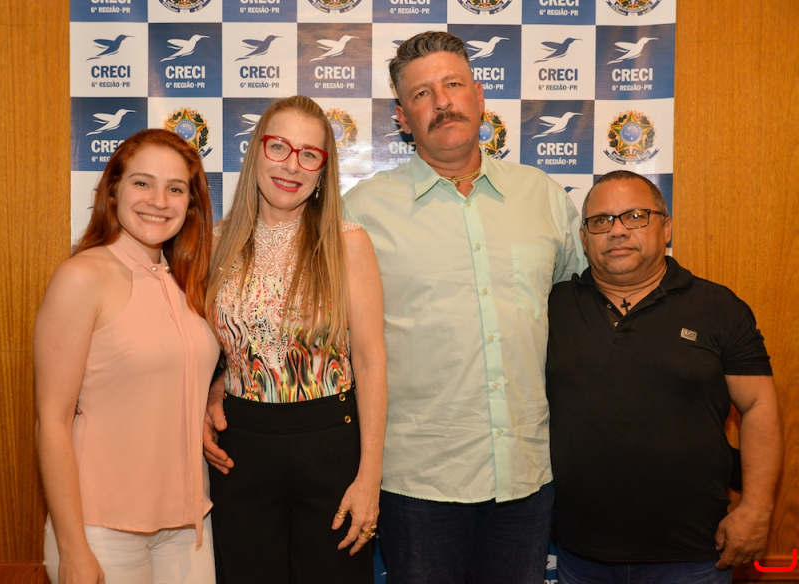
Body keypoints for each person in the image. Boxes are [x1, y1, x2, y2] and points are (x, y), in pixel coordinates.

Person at [348, 31, 585, 583]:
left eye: (453, 85)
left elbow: (588, 312)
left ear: (479, 97)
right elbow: (322, 334)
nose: (442, 102)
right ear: (402, 118)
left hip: (525, 477)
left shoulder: (545, 199)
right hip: (418, 485)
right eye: (421, 94)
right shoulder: (361, 212)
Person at [546, 170, 783, 584]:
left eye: (635, 216)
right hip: (580, 557)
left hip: (693, 557)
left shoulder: (717, 307)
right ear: (584, 238)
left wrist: (757, 509)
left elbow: (759, 406)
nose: (617, 230)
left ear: (666, 227)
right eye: (601, 221)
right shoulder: (552, 309)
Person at [202, 95, 387, 583]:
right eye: (279, 147)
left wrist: (370, 477)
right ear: (256, 152)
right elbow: (203, 351)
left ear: (323, 170)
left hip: (329, 445)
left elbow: (371, 363)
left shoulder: (348, 243)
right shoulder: (216, 243)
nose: (291, 165)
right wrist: (208, 395)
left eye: (309, 154)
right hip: (239, 451)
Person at [35, 128, 219, 583]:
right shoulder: (82, 277)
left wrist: (213, 393)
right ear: (113, 189)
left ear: (191, 204)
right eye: (142, 183)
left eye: (175, 189)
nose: (158, 201)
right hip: (100, 527)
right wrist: (72, 547)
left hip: (188, 525)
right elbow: (52, 420)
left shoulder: (188, 282)